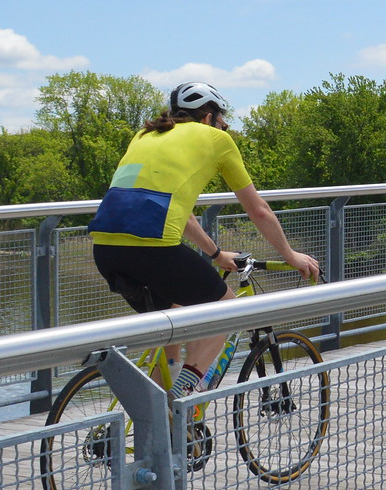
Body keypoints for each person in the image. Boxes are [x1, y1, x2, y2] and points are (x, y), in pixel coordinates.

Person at [88, 80, 321, 394]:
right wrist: (291, 256)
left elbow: (179, 213)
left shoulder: (145, 134)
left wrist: (216, 255)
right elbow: (259, 210)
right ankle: (182, 398)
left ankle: (161, 421)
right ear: (209, 117)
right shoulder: (215, 139)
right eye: (222, 120)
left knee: (172, 325)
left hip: (105, 249)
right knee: (226, 311)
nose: (223, 126)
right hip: (152, 250)